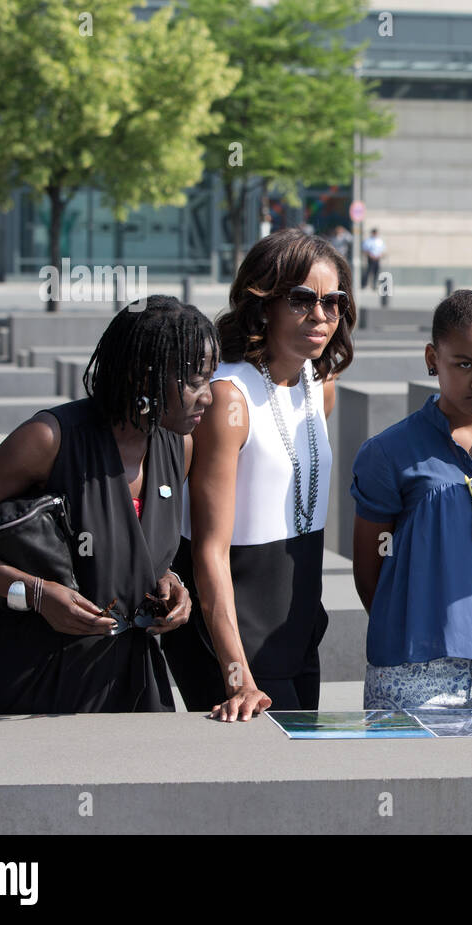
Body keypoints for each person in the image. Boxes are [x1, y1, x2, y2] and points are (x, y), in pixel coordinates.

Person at [0, 296, 216, 713]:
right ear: (144, 376)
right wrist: (35, 593)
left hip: (130, 682)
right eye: (195, 381)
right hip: (35, 683)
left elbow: (134, 549)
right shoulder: (49, 439)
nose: (209, 397)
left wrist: (171, 583)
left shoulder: (179, 446)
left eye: (210, 379)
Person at [161, 228, 354, 722]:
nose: (320, 315)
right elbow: (208, 549)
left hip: (297, 623)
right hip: (230, 634)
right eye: (301, 299)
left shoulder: (320, 383)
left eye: (333, 301)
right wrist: (235, 674)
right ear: (262, 303)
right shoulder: (229, 397)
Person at [350, 289, 472, 710]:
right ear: (431, 358)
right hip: (412, 671)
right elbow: (371, 571)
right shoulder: (388, 453)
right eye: (463, 364)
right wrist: (419, 621)